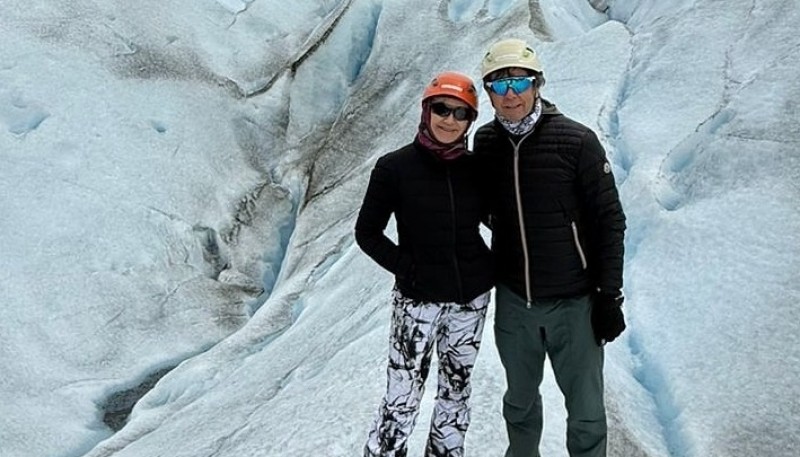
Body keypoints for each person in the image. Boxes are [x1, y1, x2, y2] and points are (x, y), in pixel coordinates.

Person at [473, 38, 627, 457]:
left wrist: (609, 295)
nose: (511, 95)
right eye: (498, 86)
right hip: (514, 301)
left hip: (574, 302)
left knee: (587, 413)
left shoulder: (577, 141)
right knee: (519, 405)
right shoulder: (485, 143)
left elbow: (610, 220)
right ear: (488, 93)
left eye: (519, 82)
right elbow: (482, 208)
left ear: (537, 83)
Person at [356, 71, 494, 457]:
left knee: (455, 393)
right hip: (417, 303)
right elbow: (367, 233)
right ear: (426, 110)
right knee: (401, 397)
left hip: (471, 300)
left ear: (470, 120)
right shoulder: (394, 168)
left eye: (460, 113)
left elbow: (495, 219)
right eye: (441, 109)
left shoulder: (475, 168)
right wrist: (409, 268)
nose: (449, 120)